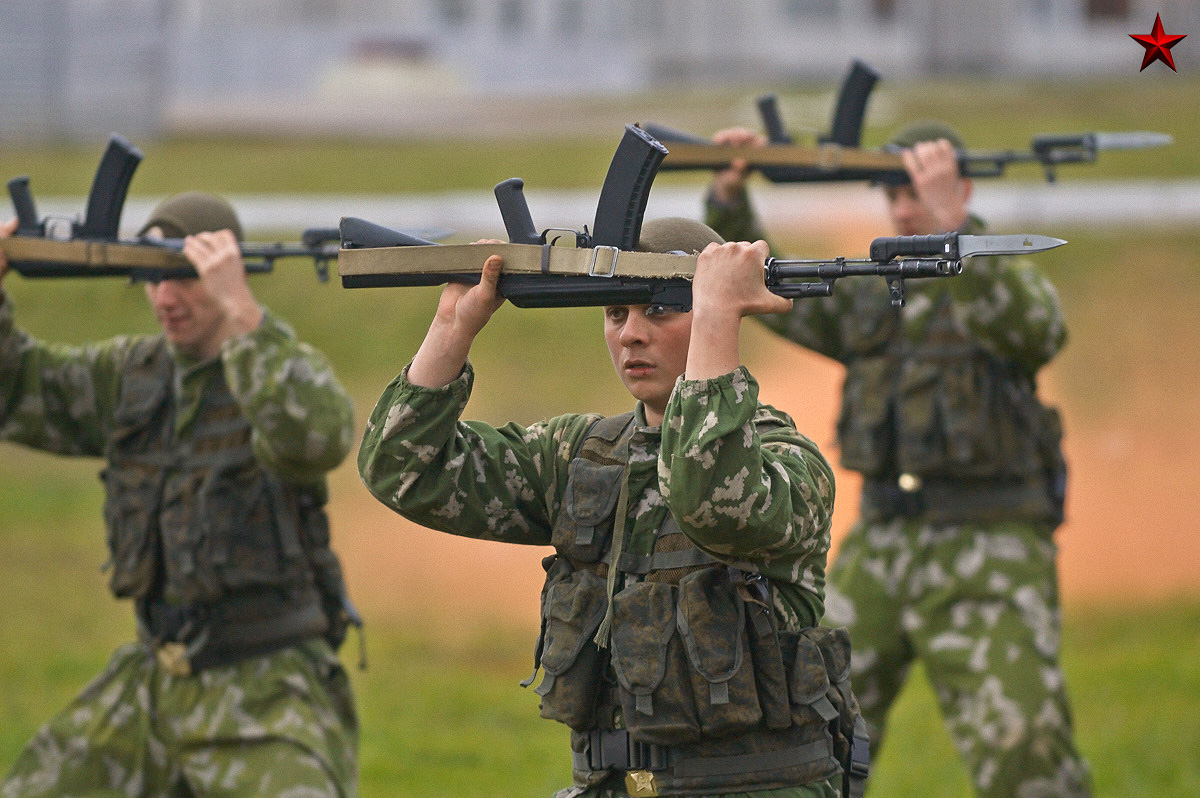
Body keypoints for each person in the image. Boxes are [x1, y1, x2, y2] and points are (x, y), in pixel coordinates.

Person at [357, 219, 869, 797]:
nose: (631, 335)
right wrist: (453, 325)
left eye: (659, 311)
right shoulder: (580, 454)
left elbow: (713, 503)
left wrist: (718, 321)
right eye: (615, 314)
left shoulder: (786, 463)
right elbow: (403, 470)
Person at [702, 122, 1092, 796]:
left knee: (1024, 749)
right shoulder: (876, 291)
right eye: (895, 193)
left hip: (988, 548)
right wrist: (730, 205)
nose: (906, 208)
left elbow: (1037, 327)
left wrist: (957, 226)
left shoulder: (996, 280)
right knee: (805, 730)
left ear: (960, 190)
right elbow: (782, 298)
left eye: (921, 193)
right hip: (881, 544)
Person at [0, 192, 359, 797]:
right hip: (152, 678)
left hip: (264, 685)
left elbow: (319, 435)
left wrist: (244, 312)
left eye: (185, 279)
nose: (165, 299)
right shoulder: (131, 377)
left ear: (224, 275)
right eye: (152, 278)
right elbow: (17, 391)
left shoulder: (273, 369)